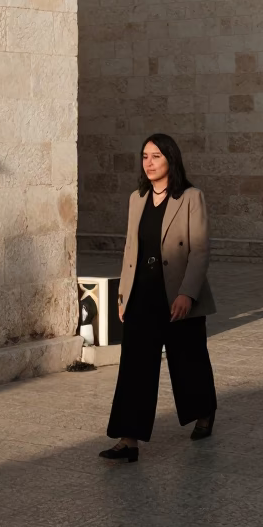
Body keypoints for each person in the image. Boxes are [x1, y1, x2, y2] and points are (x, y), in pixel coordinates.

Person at [99, 133, 217, 463]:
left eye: (156, 157)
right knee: (135, 367)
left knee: (188, 360)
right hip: (142, 294)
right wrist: (123, 294)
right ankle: (128, 439)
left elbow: (200, 250)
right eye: (145, 156)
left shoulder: (192, 197)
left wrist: (187, 294)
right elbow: (130, 250)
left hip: (178, 295)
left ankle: (204, 412)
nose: (149, 163)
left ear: (171, 161)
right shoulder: (137, 198)